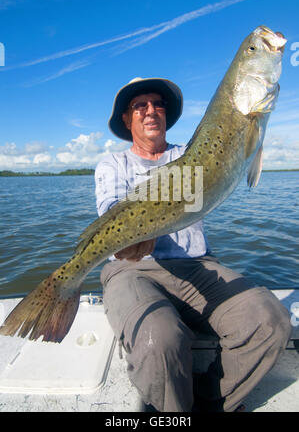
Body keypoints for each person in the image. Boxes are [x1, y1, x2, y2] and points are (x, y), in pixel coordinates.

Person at [94, 77, 291, 412]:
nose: (151, 111)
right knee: (160, 338)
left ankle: (212, 400)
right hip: (132, 270)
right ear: (126, 120)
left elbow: (229, 156)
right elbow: (112, 214)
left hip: (199, 266)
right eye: (139, 105)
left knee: (269, 319)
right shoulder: (113, 164)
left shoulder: (192, 156)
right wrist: (142, 229)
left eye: (158, 104)